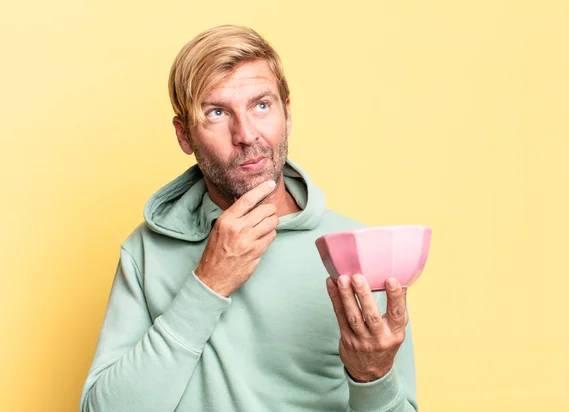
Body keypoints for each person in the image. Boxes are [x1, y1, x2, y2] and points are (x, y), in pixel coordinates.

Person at [80, 24, 418, 412]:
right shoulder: (146, 250)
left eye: (261, 105)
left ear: (286, 112)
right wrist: (208, 282)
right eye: (217, 112)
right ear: (185, 135)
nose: (246, 134)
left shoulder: (357, 249)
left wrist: (372, 377)